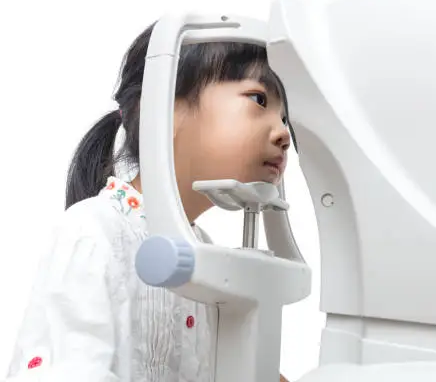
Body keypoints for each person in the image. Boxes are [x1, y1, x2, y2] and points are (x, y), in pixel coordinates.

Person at [5, 22, 293, 382]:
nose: (283, 133)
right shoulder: (92, 234)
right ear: (162, 109)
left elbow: (238, 365)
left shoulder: (205, 254)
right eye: (258, 100)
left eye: (283, 116)